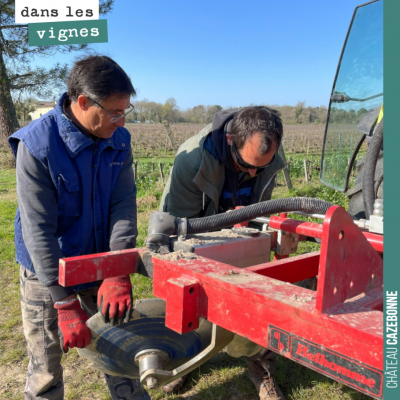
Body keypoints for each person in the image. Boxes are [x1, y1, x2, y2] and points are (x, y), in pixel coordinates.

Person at [9, 55, 150, 400]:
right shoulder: (37, 146)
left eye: (125, 111)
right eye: (115, 112)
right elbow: (38, 228)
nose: (121, 121)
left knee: (122, 350)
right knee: (45, 366)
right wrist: (63, 301)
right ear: (83, 102)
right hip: (47, 273)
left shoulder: (118, 140)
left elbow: (123, 205)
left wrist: (117, 271)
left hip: (101, 263)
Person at [159, 106, 287, 400]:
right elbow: (182, 230)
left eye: (261, 168)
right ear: (231, 141)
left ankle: (260, 366)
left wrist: (250, 226)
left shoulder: (268, 155)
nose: (254, 173)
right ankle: (183, 359)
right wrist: (227, 225)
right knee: (188, 293)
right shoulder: (193, 160)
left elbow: (261, 210)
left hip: (243, 232)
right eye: (246, 165)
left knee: (259, 293)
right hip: (194, 232)